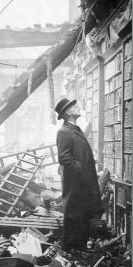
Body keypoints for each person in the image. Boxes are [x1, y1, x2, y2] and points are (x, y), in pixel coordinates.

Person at [55, 98, 102, 252]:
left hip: (84, 181)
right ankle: (69, 248)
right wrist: (80, 168)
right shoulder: (64, 131)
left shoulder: (75, 129)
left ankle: (79, 249)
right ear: (67, 111)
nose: (78, 107)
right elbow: (64, 157)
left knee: (82, 214)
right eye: (74, 106)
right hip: (76, 181)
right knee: (73, 214)